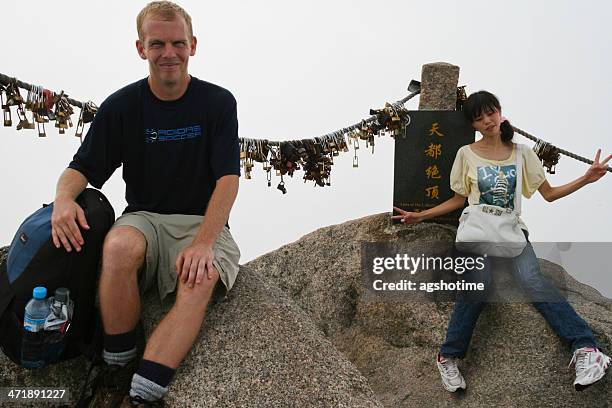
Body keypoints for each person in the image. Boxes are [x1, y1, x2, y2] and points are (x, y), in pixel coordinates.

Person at [50, 2, 241, 406]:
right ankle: (117, 366)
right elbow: (81, 168)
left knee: (200, 277)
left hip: (200, 221)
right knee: (118, 247)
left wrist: (205, 243)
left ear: (193, 45)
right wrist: (63, 200)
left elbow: (228, 179)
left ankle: (145, 391)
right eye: (157, 44)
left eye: (177, 43)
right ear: (141, 48)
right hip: (144, 218)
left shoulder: (218, 103)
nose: (168, 53)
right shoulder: (121, 107)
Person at [392, 90, 611, 393]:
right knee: (478, 284)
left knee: (533, 281)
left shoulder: (523, 153)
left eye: (490, 113)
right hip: (477, 233)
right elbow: (459, 199)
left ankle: (587, 350)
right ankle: (449, 356)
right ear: (473, 124)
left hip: (512, 232)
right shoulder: (466, 153)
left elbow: (549, 194)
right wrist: (420, 216)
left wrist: (586, 179)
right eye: (479, 118)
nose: (487, 120)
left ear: (499, 111)